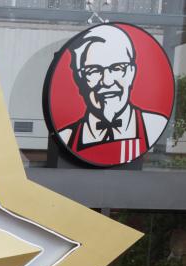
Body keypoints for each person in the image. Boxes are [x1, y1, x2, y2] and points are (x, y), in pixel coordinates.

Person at [56, 24, 169, 166]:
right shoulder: (66, 136)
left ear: (131, 73)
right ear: (80, 78)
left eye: (117, 68)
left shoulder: (154, 124)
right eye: (94, 70)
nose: (107, 81)